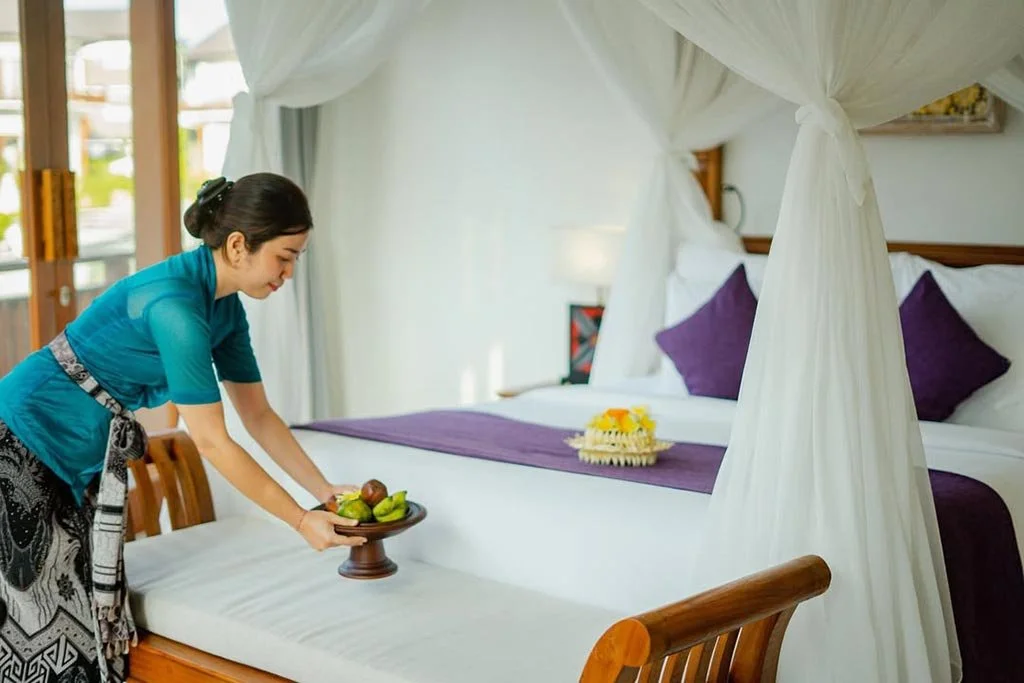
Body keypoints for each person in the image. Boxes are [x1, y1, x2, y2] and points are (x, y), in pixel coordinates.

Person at [0, 173, 365, 683]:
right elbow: (212, 441)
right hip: (22, 435)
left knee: (88, 621)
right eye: (284, 257)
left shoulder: (225, 309)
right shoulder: (175, 307)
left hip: (76, 453)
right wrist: (301, 522)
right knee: (40, 623)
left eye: (295, 260)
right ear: (237, 246)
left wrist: (322, 492)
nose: (288, 273)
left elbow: (258, 416)